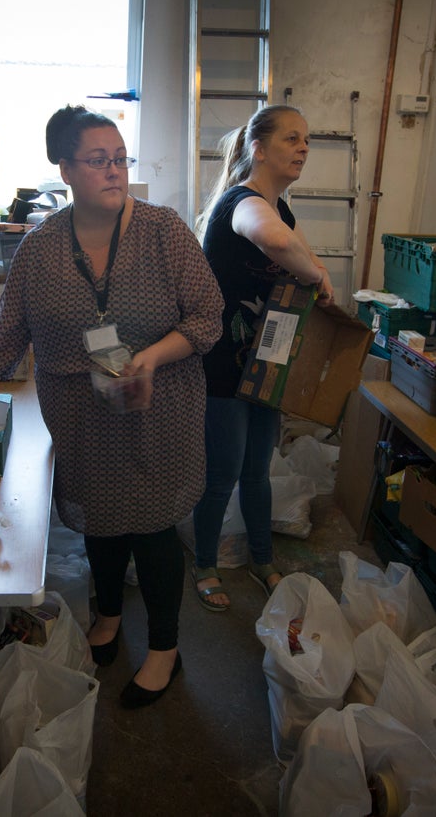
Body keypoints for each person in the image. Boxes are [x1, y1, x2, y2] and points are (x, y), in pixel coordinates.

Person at [0, 105, 223, 708]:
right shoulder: (39, 249)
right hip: (82, 416)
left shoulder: (165, 233)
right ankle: (107, 617)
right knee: (99, 522)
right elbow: (4, 338)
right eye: (97, 161)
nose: (114, 171)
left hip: (157, 408)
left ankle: (164, 648)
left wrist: (151, 358)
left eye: (120, 160)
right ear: (65, 168)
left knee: (154, 527)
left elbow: (207, 317)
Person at [190, 104, 334, 612]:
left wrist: (314, 268)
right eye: (292, 139)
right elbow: (272, 238)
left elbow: (292, 243)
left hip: (267, 362)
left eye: (306, 141)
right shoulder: (242, 203)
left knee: (258, 471)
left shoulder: (282, 208)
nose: (303, 149)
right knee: (223, 473)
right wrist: (317, 273)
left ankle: (262, 558)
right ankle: (205, 564)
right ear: (258, 148)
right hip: (224, 364)